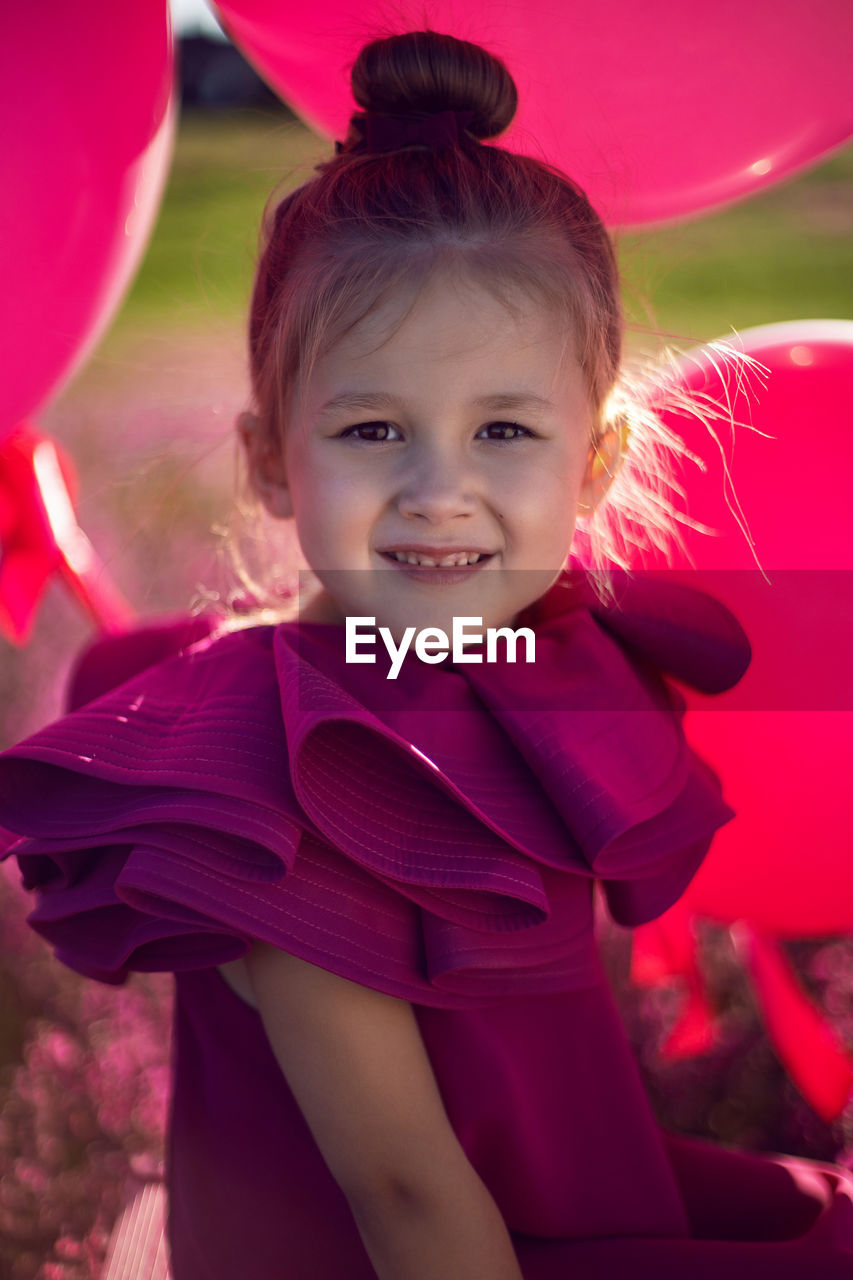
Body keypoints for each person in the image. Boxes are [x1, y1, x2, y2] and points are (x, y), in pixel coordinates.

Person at [1, 28, 851, 1280]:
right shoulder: (291, 782)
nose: (437, 491)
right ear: (272, 461)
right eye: (373, 427)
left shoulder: (541, 664)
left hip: (559, 1193)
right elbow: (405, 1190)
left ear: (595, 462)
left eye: (503, 425)